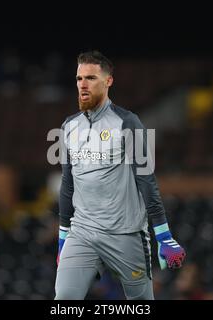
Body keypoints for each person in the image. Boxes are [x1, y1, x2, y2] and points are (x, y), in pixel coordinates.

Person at [54, 50, 186, 300]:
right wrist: (63, 237)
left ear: (108, 81)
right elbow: (67, 184)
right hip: (82, 232)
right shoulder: (68, 126)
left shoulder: (127, 122)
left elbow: (146, 180)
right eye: (79, 78)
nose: (83, 84)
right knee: (64, 300)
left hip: (125, 234)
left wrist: (164, 234)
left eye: (91, 78)